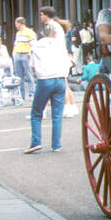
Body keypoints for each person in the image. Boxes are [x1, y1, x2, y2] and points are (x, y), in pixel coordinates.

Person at [26, 21, 71, 154]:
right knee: (57, 114)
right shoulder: (60, 46)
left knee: (36, 112)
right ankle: (56, 144)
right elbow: (68, 63)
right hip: (60, 79)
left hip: (44, 80)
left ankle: (36, 141)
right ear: (55, 33)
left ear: (42, 34)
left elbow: (32, 67)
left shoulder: (36, 46)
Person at [38, 5, 77, 117]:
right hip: (62, 57)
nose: (40, 17)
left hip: (56, 58)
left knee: (61, 84)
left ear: (46, 15)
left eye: (41, 14)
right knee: (65, 83)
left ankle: (67, 108)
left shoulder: (49, 25)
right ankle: (71, 106)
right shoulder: (57, 25)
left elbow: (48, 42)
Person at [12, 17, 37, 101]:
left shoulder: (30, 32)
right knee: (19, 76)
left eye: (16, 24)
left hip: (26, 54)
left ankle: (31, 93)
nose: (15, 26)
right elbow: (16, 44)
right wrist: (14, 53)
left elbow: (33, 44)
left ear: (20, 23)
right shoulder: (18, 33)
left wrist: (30, 54)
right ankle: (21, 95)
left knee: (29, 74)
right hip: (18, 54)